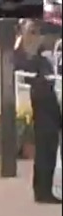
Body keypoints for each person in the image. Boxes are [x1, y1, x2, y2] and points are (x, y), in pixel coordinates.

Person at [26, 55, 61, 204]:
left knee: (39, 160)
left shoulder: (34, 87)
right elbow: (54, 110)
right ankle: (46, 193)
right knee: (47, 161)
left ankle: (38, 191)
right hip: (49, 129)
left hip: (39, 127)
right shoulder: (46, 89)